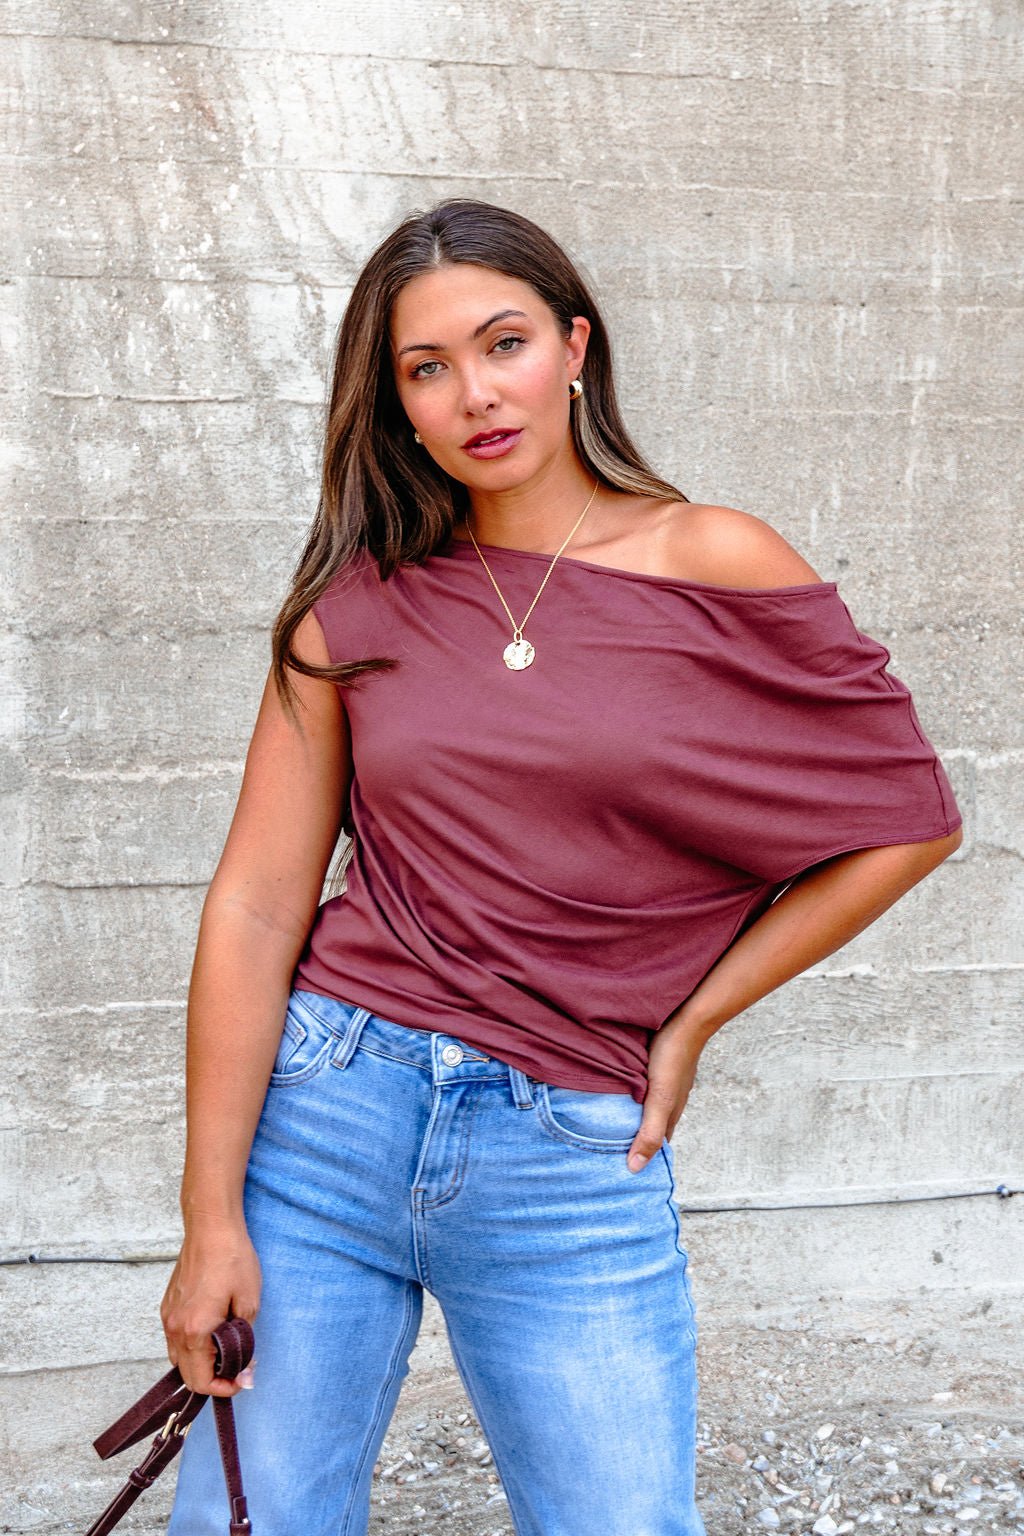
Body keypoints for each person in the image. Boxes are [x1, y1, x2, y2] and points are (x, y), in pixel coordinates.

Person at [160, 198, 963, 1536]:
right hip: (330, 1109)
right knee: (248, 1524)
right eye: (427, 369)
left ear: (575, 346)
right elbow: (253, 910)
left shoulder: (716, 563)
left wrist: (698, 1013)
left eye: (505, 342)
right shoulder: (356, 603)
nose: (474, 392)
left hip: (566, 1144)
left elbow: (911, 819)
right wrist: (208, 1223)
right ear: (396, 405)